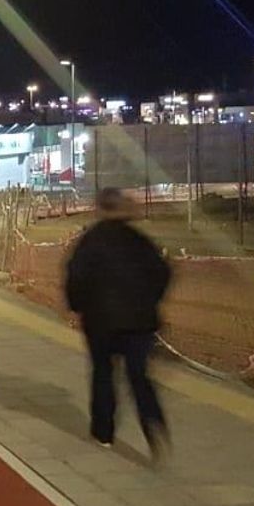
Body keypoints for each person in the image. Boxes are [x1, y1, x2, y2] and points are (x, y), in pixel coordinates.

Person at [64, 188, 172, 457]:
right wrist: (151, 301)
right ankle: (153, 422)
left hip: (100, 321)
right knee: (139, 376)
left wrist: (77, 306)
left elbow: (76, 276)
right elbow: (162, 272)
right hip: (140, 321)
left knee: (103, 373)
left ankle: (103, 433)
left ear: (100, 208)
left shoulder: (90, 241)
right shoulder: (138, 240)